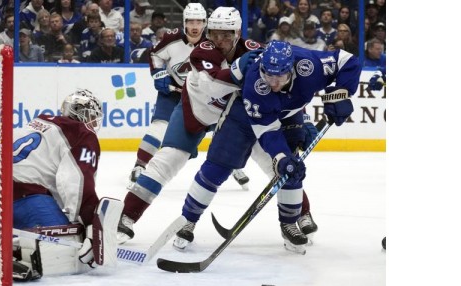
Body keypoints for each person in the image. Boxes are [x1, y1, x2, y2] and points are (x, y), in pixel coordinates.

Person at [171, 40, 361, 253]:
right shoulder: (256, 85)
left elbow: (348, 60)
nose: (273, 83)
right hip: (243, 114)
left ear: (292, 70)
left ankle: (289, 224)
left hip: (290, 114)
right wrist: (280, 157)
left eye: (279, 77)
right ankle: (188, 219)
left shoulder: (310, 66)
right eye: (268, 75)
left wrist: (342, 92)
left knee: (293, 170)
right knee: (217, 166)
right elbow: (267, 131)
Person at [117, 6, 263, 244]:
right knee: (166, 160)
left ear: (238, 32)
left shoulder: (253, 51)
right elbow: (215, 85)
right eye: (214, 33)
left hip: (230, 118)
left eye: (226, 34)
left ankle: (297, 217)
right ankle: (126, 216)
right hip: (194, 112)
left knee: (273, 158)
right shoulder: (202, 52)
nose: (219, 40)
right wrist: (239, 69)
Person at [0, 89, 122, 280]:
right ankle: (18, 251)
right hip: (23, 199)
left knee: (63, 225)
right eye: (93, 116)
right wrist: (90, 222)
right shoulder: (81, 134)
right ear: (84, 114)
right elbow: (76, 182)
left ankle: (3, 238)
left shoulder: (40, 122)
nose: (94, 122)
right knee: (69, 243)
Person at [126, 2, 207, 184]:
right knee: (159, 127)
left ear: (205, 23)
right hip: (172, 92)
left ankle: (234, 167)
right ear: (184, 22)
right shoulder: (172, 38)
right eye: (191, 21)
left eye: (199, 22)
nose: (195, 27)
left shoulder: (212, 44)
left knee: (222, 127)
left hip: (199, 97)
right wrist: (159, 74)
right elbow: (155, 55)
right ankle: (140, 165)